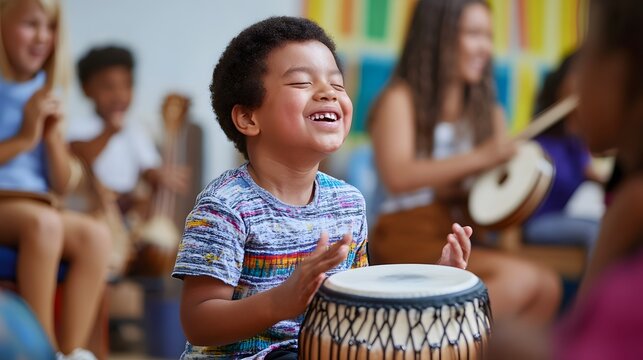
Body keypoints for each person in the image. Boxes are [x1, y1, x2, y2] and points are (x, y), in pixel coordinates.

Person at [171, 16, 473, 359]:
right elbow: (198, 321)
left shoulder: (348, 202)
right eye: (301, 82)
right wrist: (279, 303)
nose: (328, 92)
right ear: (249, 118)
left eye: (337, 85)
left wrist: (432, 282)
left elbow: (359, 304)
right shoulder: (225, 206)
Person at [367, 0, 561, 324]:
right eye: (473, 33)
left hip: (462, 231)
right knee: (524, 280)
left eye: (488, 35)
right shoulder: (399, 99)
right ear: (436, 37)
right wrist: (482, 157)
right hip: (406, 233)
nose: (484, 47)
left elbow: (488, 196)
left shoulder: (491, 115)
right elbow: (397, 175)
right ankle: (428, 339)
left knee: (548, 287)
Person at [489, 0, 643, 358]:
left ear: (626, 70)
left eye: (589, 50)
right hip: (539, 223)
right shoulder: (545, 144)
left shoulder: (584, 153)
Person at [0, 0, 111, 359]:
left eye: (50, 28)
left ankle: (69, 351)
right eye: (31, 25)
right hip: (8, 205)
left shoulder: (47, 93)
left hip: (38, 204)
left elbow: (61, 185)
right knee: (45, 225)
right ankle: (41, 350)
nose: (42, 38)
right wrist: (25, 138)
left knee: (96, 235)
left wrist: (50, 139)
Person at [68, 45, 189, 222]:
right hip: (91, 210)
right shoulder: (79, 127)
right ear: (87, 89)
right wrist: (108, 132)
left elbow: (148, 167)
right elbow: (80, 155)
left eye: (127, 85)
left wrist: (160, 176)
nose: (119, 95)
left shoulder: (135, 129)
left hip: (127, 211)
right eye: (108, 87)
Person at [522, 52, 602, 250]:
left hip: (561, 218)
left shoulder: (577, 144)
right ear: (561, 84)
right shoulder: (538, 141)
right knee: (598, 231)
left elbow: (596, 176)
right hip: (535, 224)